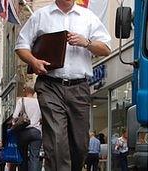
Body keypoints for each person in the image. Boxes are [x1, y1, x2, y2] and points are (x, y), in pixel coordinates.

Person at [15, 1, 111, 170]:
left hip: (79, 88)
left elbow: (106, 48)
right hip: (50, 86)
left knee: (80, 146)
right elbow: (21, 46)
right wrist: (34, 61)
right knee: (57, 140)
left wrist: (86, 42)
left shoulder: (87, 17)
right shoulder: (41, 15)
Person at [12, 86, 42, 171]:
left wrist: (13, 124)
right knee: (35, 156)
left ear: (26, 92)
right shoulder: (39, 102)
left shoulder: (21, 100)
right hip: (37, 131)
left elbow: (14, 116)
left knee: (22, 155)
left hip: (24, 132)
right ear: (33, 93)